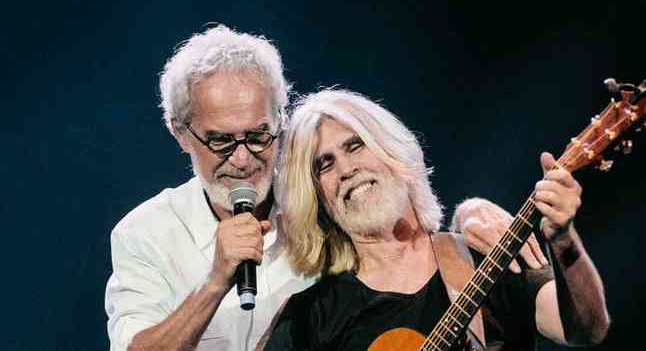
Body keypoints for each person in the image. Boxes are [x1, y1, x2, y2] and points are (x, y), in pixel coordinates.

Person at [104, 25, 549, 351]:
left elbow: (398, 207)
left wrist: (470, 213)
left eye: (259, 136)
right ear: (180, 133)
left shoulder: (316, 197)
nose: (242, 159)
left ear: (280, 119)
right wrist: (216, 281)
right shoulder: (145, 235)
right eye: (221, 140)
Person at [261, 89, 610, 350]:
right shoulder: (310, 318)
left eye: (355, 146)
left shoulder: (487, 252)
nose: (347, 169)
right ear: (317, 198)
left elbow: (586, 330)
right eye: (325, 164)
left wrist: (563, 239)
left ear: (392, 152)